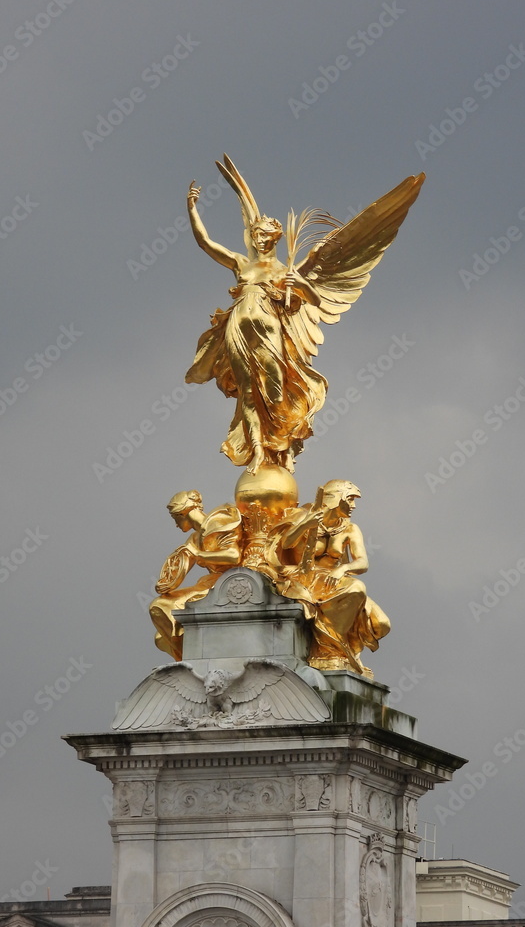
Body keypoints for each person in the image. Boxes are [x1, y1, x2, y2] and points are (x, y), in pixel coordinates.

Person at [184, 180, 326, 474]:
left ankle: (285, 445)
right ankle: (259, 450)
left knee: (276, 391)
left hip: (269, 331)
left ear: (275, 238)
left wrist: (300, 284)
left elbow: (315, 299)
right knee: (248, 392)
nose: (259, 239)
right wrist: (191, 208)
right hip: (237, 328)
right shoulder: (241, 264)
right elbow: (205, 243)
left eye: (265, 235)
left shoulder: (284, 271)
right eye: (256, 234)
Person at [269, 480, 390, 677]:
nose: (353, 506)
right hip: (303, 578)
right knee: (356, 589)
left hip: (334, 579)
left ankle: (342, 649)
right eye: (350, 500)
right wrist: (306, 524)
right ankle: (328, 651)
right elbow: (286, 543)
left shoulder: (350, 529)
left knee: (381, 624)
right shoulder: (307, 517)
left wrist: (343, 569)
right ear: (336, 499)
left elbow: (362, 563)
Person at [149, 490, 242, 660]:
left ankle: (195, 659)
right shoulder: (194, 538)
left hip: (229, 583)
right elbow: (182, 565)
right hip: (209, 584)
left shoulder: (219, 523)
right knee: (160, 621)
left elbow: (234, 556)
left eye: (175, 518)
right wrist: (166, 584)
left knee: (161, 608)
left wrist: (202, 556)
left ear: (183, 513)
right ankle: (191, 659)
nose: (176, 525)